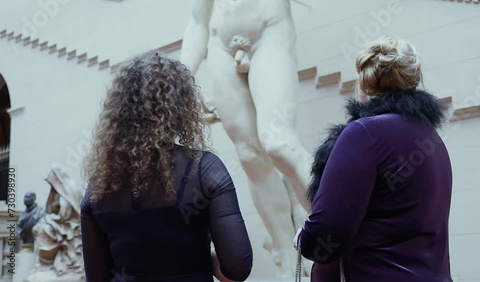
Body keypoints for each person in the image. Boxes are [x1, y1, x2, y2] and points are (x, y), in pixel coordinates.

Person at [80, 52, 252, 282]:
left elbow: (97, 277)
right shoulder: (205, 170)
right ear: (180, 108)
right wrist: (198, 257)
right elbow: (237, 268)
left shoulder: (98, 185)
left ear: (118, 113)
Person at [295, 36, 453, 282]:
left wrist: (304, 237)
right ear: (413, 78)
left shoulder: (364, 133)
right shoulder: (433, 140)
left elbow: (324, 239)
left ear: (364, 80)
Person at [180, 0, 311, 276]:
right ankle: (288, 259)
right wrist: (181, 82)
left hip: (268, 28)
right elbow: (198, 20)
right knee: (250, 156)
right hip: (220, 44)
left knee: (278, 141)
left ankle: (336, 231)